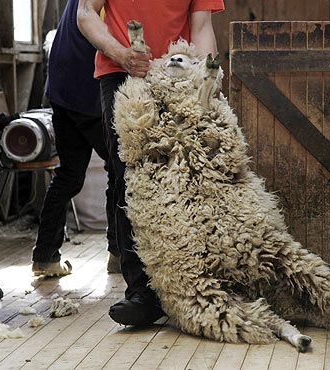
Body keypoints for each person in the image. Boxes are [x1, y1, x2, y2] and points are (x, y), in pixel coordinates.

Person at [77, 0, 225, 326]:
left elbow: (201, 26)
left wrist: (203, 78)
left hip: (175, 70)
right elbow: (85, 13)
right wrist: (120, 53)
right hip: (121, 69)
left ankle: (186, 280)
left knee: (181, 173)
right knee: (129, 175)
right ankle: (142, 292)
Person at [32, 0, 120, 277]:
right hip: (85, 87)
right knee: (120, 169)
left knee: (69, 175)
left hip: (61, 87)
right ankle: (118, 253)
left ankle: (45, 256)